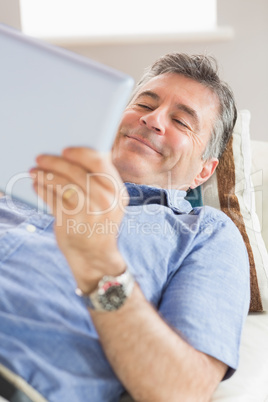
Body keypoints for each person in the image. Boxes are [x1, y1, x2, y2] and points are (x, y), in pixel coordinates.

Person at [0, 53, 250, 402]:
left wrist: (100, 264)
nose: (153, 119)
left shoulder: (206, 232)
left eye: (181, 122)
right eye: (145, 103)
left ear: (203, 172)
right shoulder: (24, 172)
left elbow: (183, 391)